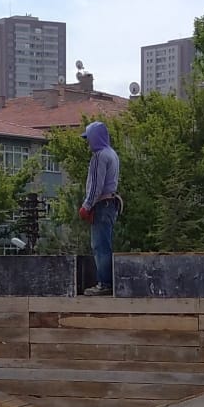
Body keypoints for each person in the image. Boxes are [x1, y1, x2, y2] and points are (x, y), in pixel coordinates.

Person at [78, 119, 121, 295]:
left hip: (101, 204)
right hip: (110, 204)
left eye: (89, 138)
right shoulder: (112, 154)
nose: (88, 142)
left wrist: (87, 205)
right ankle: (107, 282)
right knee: (106, 243)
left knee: (100, 245)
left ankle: (104, 283)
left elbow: (96, 185)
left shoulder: (99, 156)